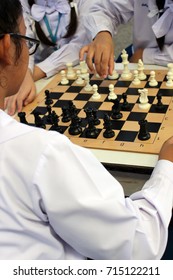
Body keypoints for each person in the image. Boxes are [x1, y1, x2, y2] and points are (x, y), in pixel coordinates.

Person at [1, 0, 173, 261]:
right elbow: (139, 245)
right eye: (26, 39)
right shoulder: (42, 154)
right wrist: (168, 166)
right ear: (6, 47)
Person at [5, 0, 93, 116]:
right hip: (38, 81)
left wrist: (33, 73)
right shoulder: (21, 3)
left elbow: (80, 46)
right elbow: (22, 40)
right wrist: (25, 72)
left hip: (83, 71)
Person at [80, 0, 173, 78]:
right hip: (138, 53)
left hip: (160, 60)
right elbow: (104, 8)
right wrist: (102, 33)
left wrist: (146, 56)